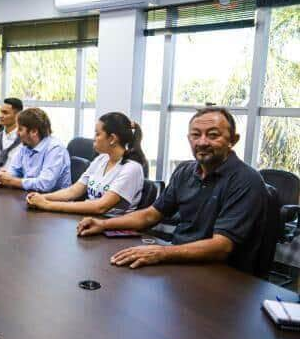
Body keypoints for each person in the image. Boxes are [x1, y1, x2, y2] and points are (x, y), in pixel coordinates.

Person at [77, 107, 268, 273]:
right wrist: (103, 225)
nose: (202, 142)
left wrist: (161, 253)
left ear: (232, 140)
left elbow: (221, 247)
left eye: (213, 135)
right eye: (195, 135)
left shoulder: (246, 180)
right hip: (180, 261)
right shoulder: (185, 171)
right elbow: (150, 215)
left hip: (222, 274)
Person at [27, 112, 146, 215]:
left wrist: (47, 205)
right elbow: (73, 191)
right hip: (89, 219)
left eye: (98, 134)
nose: (94, 138)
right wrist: (41, 197)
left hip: (112, 229)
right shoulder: (102, 159)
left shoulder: (131, 168)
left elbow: (100, 207)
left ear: (112, 139)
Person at [0, 108, 71, 193]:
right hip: (31, 196)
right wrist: (3, 176)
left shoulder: (55, 149)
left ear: (34, 131)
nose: (17, 133)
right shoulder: (26, 145)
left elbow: (44, 184)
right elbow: (15, 170)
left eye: (20, 129)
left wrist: (11, 181)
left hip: (53, 201)